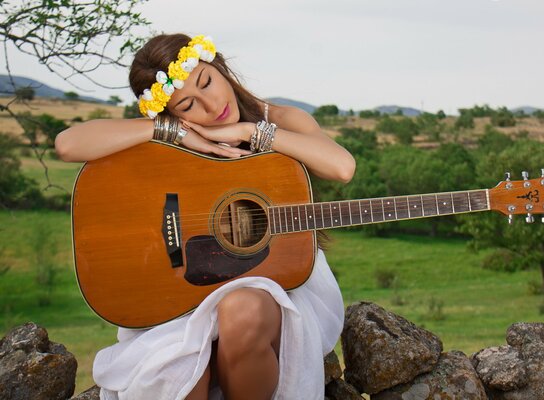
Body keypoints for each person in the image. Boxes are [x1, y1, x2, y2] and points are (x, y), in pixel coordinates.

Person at [55, 33, 355, 400]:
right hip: (184, 294)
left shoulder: (281, 118)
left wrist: (251, 131)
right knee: (181, 371)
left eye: (207, 82)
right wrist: (171, 132)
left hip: (281, 282)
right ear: (172, 112)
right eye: (188, 104)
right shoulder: (170, 138)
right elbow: (67, 145)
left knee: (242, 308)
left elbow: (342, 167)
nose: (211, 106)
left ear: (219, 67)